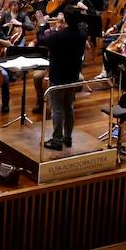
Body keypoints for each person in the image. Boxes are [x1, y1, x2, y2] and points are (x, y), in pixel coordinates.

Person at [41, 13, 86, 149]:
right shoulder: (82, 34)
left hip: (58, 77)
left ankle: (57, 140)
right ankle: (68, 138)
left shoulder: (59, 36)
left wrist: (42, 25)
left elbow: (42, 40)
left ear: (66, 21)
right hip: (73, 76)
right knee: (69, 107)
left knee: (57, 109)